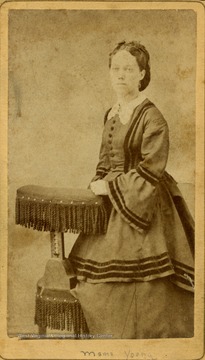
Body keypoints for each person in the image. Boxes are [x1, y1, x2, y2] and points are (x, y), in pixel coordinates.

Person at [69, 41, 194, 339]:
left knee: (146, 284)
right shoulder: (111, 113)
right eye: (116, 69)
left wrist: (109, 186)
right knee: (92, 280)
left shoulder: (152, 117)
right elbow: (105, 159)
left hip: (144, 199)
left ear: (142, 74)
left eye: (128, 69)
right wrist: (97, 184)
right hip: (111, 199)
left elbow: (152, 168)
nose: (120, 75)